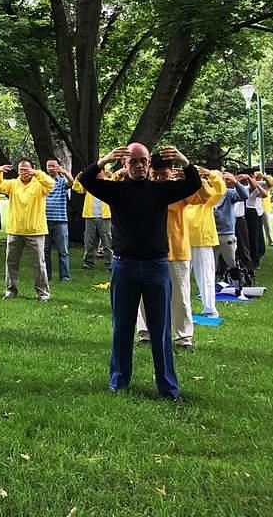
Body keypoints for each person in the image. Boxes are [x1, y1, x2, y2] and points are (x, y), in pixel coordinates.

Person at [79, 143, 200, 401]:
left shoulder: (160, 190)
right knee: (122, 327)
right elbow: (87, 179)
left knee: (161, 330)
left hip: (157, 267)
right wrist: (106, 159)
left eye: (143, 161)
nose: (138, 165)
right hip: (125, 266)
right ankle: (118, 381)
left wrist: (182, 160)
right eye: (133, 161)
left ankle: (168, 388)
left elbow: (193, 184)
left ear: (148, 163)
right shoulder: (116, 191)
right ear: (125, 164)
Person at [135, 154, 212, 350]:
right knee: (144, 296)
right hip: (147, 251)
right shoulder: (142, 188)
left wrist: (187, 168)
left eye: (163, 174)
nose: (159, 178)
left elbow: (205, 196)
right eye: (155, 174)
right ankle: (146, 334)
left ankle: (183, 337)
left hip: (176, 251)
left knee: (180, 296)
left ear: (171, 172)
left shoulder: (179, 189)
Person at [0, 160, 55, 301]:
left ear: (32, 169)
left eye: (27, 169)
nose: (24, 172)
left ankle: (43, 293)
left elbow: (51, 183)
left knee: (39, 263)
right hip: (15, 230)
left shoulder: (40, 184)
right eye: (21, 169)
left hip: (35, 231)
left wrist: (37, 173)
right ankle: (10, 290)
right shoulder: (13, 184)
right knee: (11, 262)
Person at [185, 169, 226, 318]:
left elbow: (221, 189)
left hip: (202, 241)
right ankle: (183, 308)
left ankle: (210, 309)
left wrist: (208, 174)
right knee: (181, 279)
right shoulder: (185, 197)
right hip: (183, 242)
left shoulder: (209, 199)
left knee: (206, 277)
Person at [72, 169, 113, 269]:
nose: (97, 174)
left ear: (103, 172)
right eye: (96, 172)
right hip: (90, 215)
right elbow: (77, 188)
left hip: (105, 216)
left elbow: (117, 179)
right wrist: (78, 178)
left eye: (99, 172)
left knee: (107, 241)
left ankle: (110, 263)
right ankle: (88, 263)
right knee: (89, 240)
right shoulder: (89, 183)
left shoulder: (108, 181)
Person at [212, 172, 248, 280]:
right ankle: (211, 287)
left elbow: (244, 196)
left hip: (226, 233)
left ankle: (237, 286)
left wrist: (235, 183)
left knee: (231, 262)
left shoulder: (229, 193)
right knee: (210, 263)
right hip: (210, 234)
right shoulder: (207, 194)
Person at [44, 159, 74, 282]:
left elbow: (72, 182)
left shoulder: (62, 182)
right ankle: (47, 276)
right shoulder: (43, 182)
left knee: (63, 251)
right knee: (45, 251)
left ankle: (65, 277)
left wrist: (64, 172)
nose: (51, 168)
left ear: (58, 167)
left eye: (53, 166)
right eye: (48, 166)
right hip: (44, 221)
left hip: (60, 221)